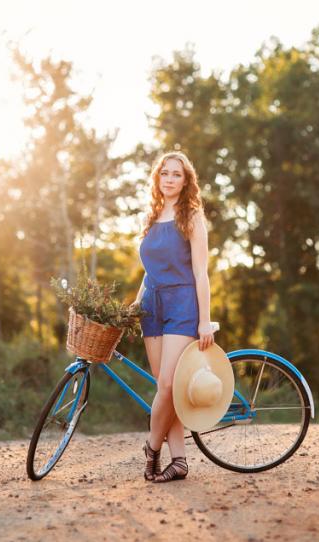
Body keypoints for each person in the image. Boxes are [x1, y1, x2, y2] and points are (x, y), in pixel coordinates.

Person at [130, 151, 214, 483]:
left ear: (186, 180)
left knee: (168, 383)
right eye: (164, 173)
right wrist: (134, 307)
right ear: (157, 178)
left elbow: (201, 273)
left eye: (176, 174)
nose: (169, 179)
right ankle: (178, 459)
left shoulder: (191, 217)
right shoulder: (149, 218)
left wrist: (204, 319)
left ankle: (152, 448)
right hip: (152, 304)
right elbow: (147, 272)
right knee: (168, 390)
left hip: (182, 303)